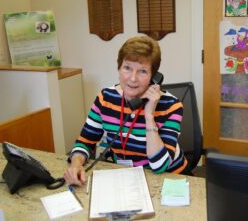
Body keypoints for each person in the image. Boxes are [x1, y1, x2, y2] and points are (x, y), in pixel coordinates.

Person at [64, 36, 189, 186]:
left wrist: (149, 115)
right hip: (125, 178)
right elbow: (84, 142)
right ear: (119, 68)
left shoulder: (171, 106)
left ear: (153, 77)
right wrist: (76, 163)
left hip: (170, 179)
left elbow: (159, 166)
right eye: (127, 68)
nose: (133, 78)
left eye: (142, 71)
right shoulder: (105, 99)